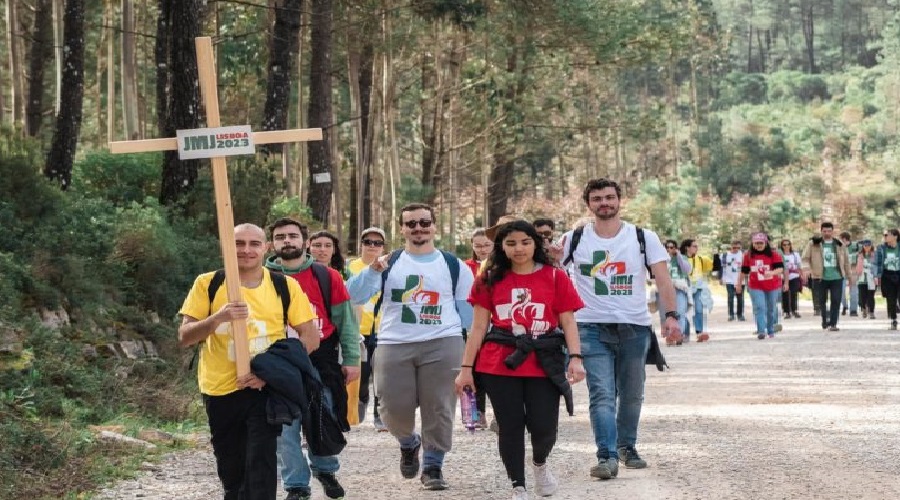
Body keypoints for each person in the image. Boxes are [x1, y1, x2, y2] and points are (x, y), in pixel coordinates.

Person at [552, 178, 684, 481]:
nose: (604, 203)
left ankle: (627, 446)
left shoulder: (642, 237)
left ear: (620, 200)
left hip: (634, 326)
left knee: (633, 393)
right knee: (602, 394)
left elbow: (663, 280)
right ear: (589, 204)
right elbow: (555, 276)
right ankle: (606, 456)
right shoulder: (574, 238)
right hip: (589, 326)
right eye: (597, 199)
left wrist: (672, 316)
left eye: (609, 197)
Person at [177, 224, 320, 500]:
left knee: (261, 465)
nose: (246, 250)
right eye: (238, 243)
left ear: (266, 248)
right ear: (226, 248)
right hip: (220, 389)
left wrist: (272, 373)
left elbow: (310, 337)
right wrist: (218, 317)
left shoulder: (283, 285)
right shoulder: (208, 284)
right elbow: (185, 336)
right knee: (232, 471)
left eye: (254, 243)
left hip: (264, 390)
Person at [455, 220, 585, 500]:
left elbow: (568, 322)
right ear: (501, 247)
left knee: (544, 427)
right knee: (510, 426)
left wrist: (576, 357)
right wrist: (466, 369)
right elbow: (478, 328)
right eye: (511, 243)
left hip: (544, 359)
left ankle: (540, 464)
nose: (519, 249)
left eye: (525, 242)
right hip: (499, 361)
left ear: (535, 243)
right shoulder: (488, 278)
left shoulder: (554, 276)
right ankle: (519, 486)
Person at [351, 203, 475, 491]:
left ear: (434, 226)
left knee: (440, 406)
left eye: (424, 222)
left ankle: (433, 464)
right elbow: (352, 295)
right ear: (402, 229)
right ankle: (409, 442)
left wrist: (468, 351)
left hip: (444, 341)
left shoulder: (452, 265)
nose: (418, 228)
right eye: (411, 224)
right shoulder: (387, 263)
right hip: (395, 342)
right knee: (391, 408)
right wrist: (371, 272)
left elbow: (468, 313)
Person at [265, 218, 360, 500]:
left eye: (292, 236)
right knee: (284, 425)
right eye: (280, 237)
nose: (287, 241)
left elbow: (346, 322)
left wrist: (352, 358)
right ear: (272, 244)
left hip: (322, 359)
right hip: (277, 359)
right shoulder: (260, 277)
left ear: (305, 242)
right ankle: (296, 485)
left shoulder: (327, 276)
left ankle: (325, 469)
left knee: (323, 415)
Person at [346, 227, 388, 430]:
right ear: (361, 244)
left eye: (377, 243)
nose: (372, 246)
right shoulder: (350, 267)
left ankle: (380, 415)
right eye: (368, 241)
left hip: (381, 329)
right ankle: (356, 408)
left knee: (381, 374)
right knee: (361, 375)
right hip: (357, 329)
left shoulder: (388, 268)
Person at [801, 222, 851, 331]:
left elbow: (846, 261)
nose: (827, 233)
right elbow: (805, 258)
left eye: (829, 231)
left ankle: (833, 323)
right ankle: (824, 320)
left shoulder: (839, 244)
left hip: (837, 277)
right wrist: (806, 269)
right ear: (821, 231)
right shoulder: (813, 244)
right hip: (820, 277)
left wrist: (849, 276)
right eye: (824, 231)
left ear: (833, 231)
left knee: (836, 300)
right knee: (822, 301)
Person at [737, 233, 787, 339]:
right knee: (760, 307)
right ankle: (761, 331)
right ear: (753, 244)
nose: (759, 245)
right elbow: (744, 271)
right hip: (756, 285)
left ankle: (770, 329)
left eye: (761, 243)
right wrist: (738, 284)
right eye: (756, 243)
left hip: (772, 285)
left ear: (766, 243)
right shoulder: (748, 255)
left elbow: (780, 268)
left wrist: (772, 273)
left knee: (771, 308)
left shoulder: (774, 254)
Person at [659, 239, 691, 343]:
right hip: (666, 289)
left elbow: (686, 270)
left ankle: (679, 334)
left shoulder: (681, 258)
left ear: (676, 248)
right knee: (666, 313)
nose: (669, 249)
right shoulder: (661, 259)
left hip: (679, 288)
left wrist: (679, 256)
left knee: (680, 312)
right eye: (667, 247)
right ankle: (669, 335)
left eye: (671, 247)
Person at [683, 239, 712, 342]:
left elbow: (712, 267)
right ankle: (684, 333)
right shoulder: (682, 259)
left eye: (697, 246)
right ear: (687, 247)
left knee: (699, 310)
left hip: (699, 288)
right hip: (685, 288)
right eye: (694, 246)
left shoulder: (701, 259)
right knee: (685, 311)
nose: (696, 248)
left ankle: (700, 332)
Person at [873, 228, 900, 330]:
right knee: (891, 299)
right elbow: (875, 263)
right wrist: (876, 275)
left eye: (888, 235)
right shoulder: (881, 248)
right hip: (887, 276)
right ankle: (893, 320)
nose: (885, 237)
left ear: (895, 237)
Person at [779, 239, 803, 319]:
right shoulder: (779, 255)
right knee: (785, 293)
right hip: (783, 276)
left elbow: (799, 266)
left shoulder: (795, 255)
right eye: (784, 245)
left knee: (793, 293)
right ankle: (786, 311)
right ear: (782, 246)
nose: (786, 246)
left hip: (794, 275)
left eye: (788, 244)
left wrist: (801, 274)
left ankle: (794, 310)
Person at [855, 239, 877, 320]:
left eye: (868, 246)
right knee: (862, 297)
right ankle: (863, 308)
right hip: (862, 278)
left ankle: (871, 312)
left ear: (871, 246)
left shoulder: (875, 255)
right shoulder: (859, 255)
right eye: (865, 246)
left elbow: (876, 266)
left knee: (871, 296)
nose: (867, 247)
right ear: (863, 246)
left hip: (872, 278)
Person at [840, 232, 860, 316]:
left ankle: (853, 310)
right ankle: (844, 305)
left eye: (840, 239)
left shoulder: (856, 246)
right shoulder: (839, 247)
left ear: (844, 239)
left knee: (854, 291)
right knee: (841, 291)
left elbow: (861, 255)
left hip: (853, 270)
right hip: (842, 272)